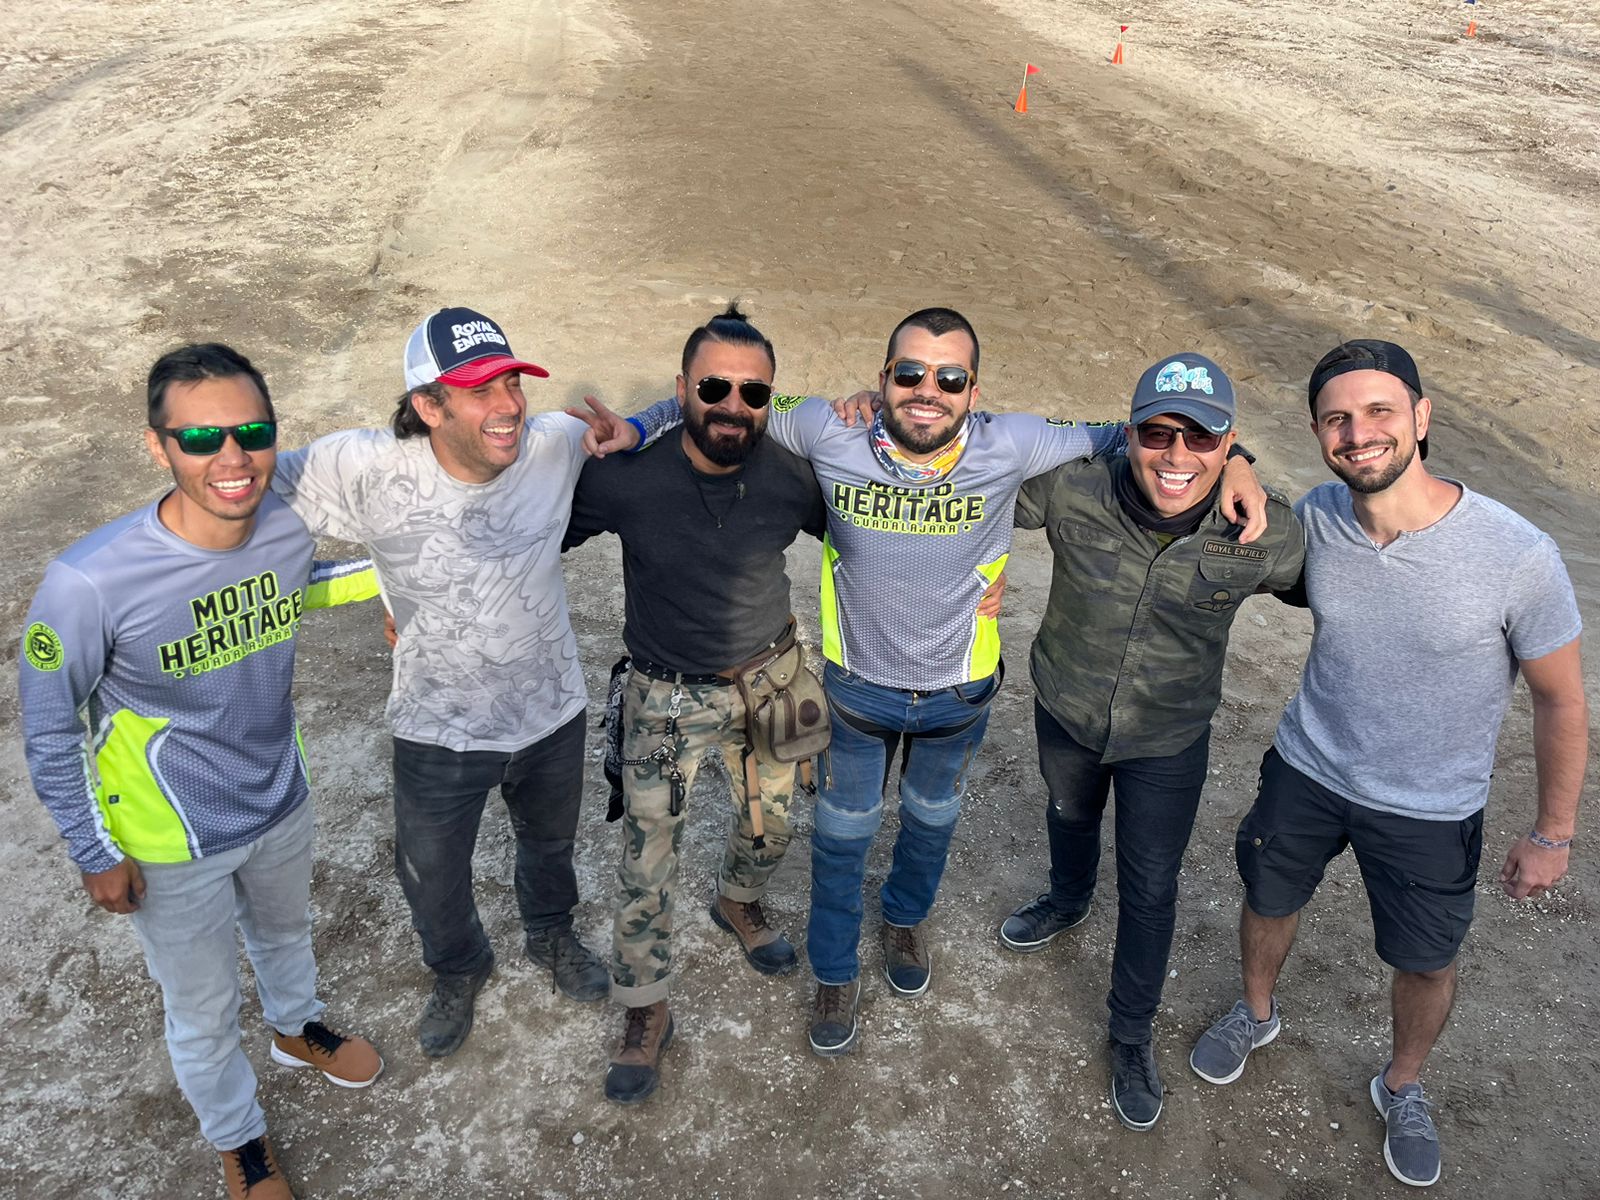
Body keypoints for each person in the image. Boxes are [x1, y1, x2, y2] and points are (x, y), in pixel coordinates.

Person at [749, 307, 1269, 1055]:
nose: (927, 390)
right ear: (882, 377)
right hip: (857, 690)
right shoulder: (830, 429)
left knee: (930, 822)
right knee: (840, 838)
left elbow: (1137, 436)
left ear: (974, 390)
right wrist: (634, 429)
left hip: (958, 696)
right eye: (909, 373)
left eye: (949, 377)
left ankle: (904, 921)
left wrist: (1239, 457)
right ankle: (834, 971)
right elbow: (726, 399)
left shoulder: (1013, 441)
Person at [1189, 340, 1587, 1188]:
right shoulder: (1321, 519)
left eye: (1379, 412)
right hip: (1308, 768)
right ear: (1317, 432)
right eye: (1336, 418)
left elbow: (1561, 699)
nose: (1358, 432)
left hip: (1431, 806)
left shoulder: (1516, 554)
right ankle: (1256, 1011)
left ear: (1422, 417)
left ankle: (1402, 1084)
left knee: (1426, 958)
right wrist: (1239, 461)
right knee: (1268, 897)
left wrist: (1553, 832)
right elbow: (1232, 504)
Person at [19, 344, 382, 1200]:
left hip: (279, 796)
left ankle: (296, 1029)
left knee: (286, 936)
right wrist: (92, 851)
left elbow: (301, 589)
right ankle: (240, 1140)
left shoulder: (285, 528)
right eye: (200, 438)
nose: (232, 458)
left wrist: (405, 588)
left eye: (252, 433)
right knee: (203, 1009)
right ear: (158, 446)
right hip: (169, 838)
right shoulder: (88, 583)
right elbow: (48, 729)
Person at [270, 307, 680, 1057]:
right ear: (428, 406)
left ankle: (550, 935)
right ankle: (458, 966)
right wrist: (381, 586)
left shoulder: (554, 444)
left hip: (550, 709)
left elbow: (670, 414)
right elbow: (241, 491)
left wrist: (637, 427)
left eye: (512, 383)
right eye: (480, 390)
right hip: (437, 724)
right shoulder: (361, 467)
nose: (508, 405)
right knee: (431, 873)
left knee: (549, 847)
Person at [996, 354, 1303, 1131]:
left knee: (1151, 886)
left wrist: (1242, 466)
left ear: (1227, 441)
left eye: (1202, 438)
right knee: (1067, 816)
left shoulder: (1261, 529)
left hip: (1167, 737)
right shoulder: (1072, 486)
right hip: (1067, 704)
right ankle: (1067, 900)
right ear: (1128, 432)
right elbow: (974, 471)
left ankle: (1131, 1035)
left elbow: (1348, 580)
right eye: (1158, 433)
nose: (1177, 454)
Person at [563, 305, 827, 1102]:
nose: (733, 406)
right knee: (646, 859)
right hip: (664, 695)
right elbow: (532, 537)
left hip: (774, 680)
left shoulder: (792, 476)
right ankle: (645, 1005)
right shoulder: (625, 478)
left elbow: (874, 539)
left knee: (774, 823)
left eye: (754, 392)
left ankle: (739, 902)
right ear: (682, 390)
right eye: (715, 387)